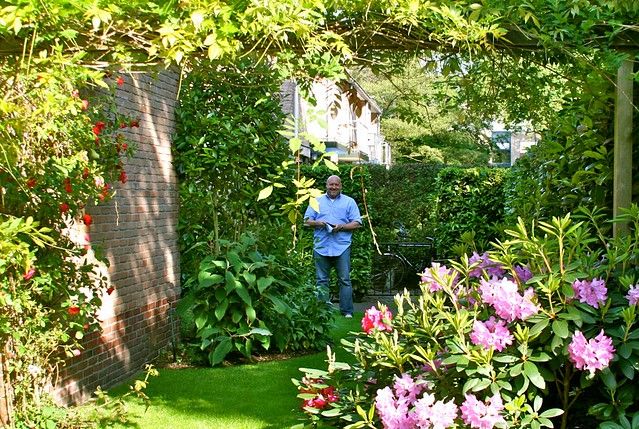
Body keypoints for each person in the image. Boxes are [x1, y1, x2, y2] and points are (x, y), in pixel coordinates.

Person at [304, 175, 362, 317]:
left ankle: (347, 311)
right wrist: (320, 223)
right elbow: (306, 221)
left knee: (344, 280)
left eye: (336, 185)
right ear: (326, 185)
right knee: (321, 280)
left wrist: (341, 227)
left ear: (341, 186)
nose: (334, 187)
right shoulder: (316, 201)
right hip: (321, 246)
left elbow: (357, 223)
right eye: (331, 184)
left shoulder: (349, 202)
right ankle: (322, 312)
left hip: (342, 246)